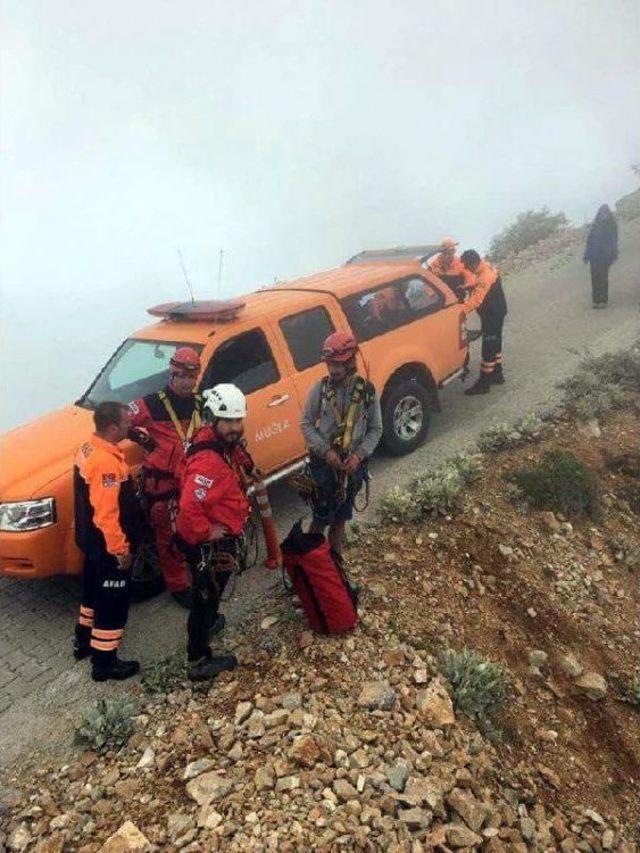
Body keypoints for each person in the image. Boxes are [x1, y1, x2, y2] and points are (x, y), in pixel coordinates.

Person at [176, 384, 255, 682]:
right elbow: (188, 507)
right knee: (205, 596)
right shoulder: (207, 462)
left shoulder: (216, 442)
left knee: (212, 593)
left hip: (220, 537)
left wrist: (249, 466)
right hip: (210, 546)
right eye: (229, 422)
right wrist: (206, 531)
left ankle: (208, 622)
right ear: (214, 419)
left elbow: (235, 454)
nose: (235, 427)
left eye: (238, 420)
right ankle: (197, 659)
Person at [73, 401, 144, 681]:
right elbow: (106, 515)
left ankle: (83, 641)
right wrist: (120, 550)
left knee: (91, 593)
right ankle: (104, 663)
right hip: (108, 546)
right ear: (113, 427)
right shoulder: (105, 463)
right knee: (113, 602)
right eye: (126, 422)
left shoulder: (88, 448)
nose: (130, 426)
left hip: (91, 544)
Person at [128, 346, 203, 607]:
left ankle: (199, 574)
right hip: (164, 487)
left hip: (192, 483)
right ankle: (178, 585)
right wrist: (144, 441)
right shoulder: (150, 404)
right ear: (171, 375)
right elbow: (120, 420)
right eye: (181, 376)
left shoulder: (201, 403)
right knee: (168, 538)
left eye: (190, 377)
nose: (186, 382)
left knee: (194, 532)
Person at [300, 331, 383, 556]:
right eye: (330, 364)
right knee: (319, 521)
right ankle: (311, 569)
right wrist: (325, 451)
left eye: (338, 364)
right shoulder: (321, 389)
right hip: (324, 467)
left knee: (339, 523)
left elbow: (376, 429)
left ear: (350, 361)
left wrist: (359, 456)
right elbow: (306, 424)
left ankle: (336, 569)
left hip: (351, 468)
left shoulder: (367, 392)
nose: (333, 370)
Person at [460, 250, 508, 395]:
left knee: (488, 346)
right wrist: (471, 287)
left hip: (492, 314)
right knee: (495, 342)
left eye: (467, 266)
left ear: (474, 263)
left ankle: (484, 382)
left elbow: (477, 299)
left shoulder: (484, 277)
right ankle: (497, 374)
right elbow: (484, 284)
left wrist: (459, 311)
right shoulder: (486, 266)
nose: (466, 269)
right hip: (498, 309)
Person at [583, 204, 618, 308]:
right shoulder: (595, 226)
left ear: (608, 214)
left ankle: (603, 300)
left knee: (603, 278)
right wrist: (586, 255)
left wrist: (613, 255)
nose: (604, 215)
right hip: (594, 257)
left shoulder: (611, 226)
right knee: (595, 279)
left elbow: (614, 242)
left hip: (605, 257)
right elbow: (589, 241)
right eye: (602, 213)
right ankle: (596, 300)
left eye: (605, 213)